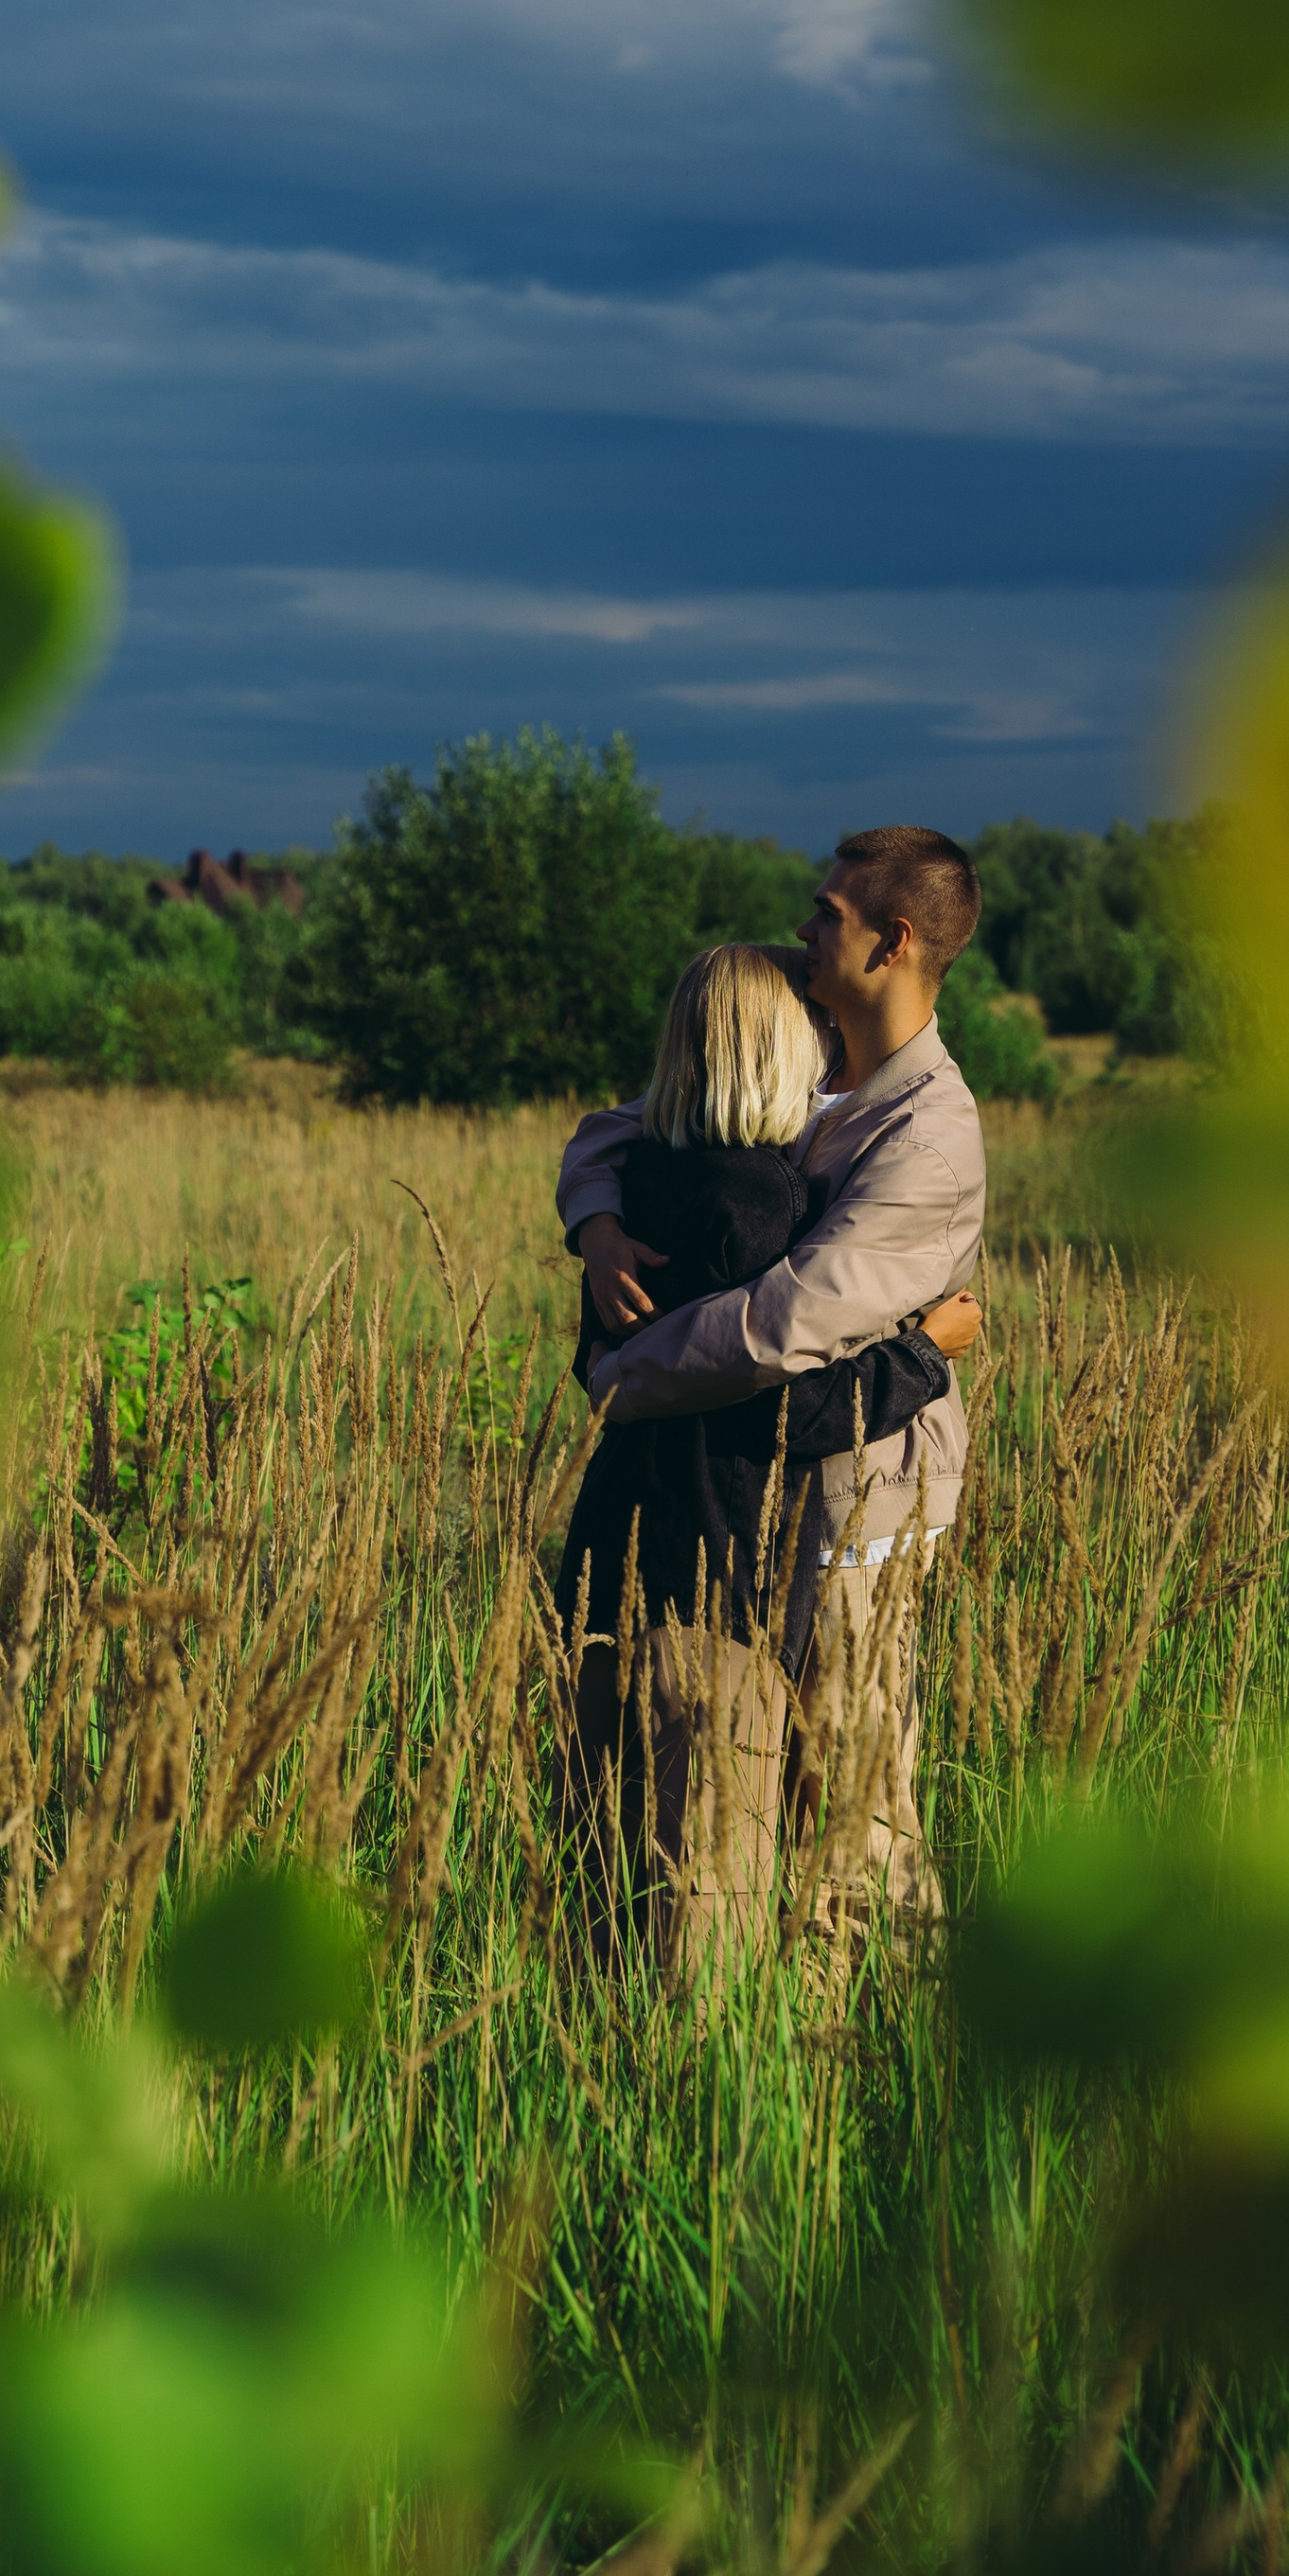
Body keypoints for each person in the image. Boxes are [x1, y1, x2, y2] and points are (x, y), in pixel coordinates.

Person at [558, 824, 987, 1929]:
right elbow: (619, 1128)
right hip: (755, 1483)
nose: (803, 927)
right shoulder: (813, 1059)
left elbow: (779, 1327)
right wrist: (598, 1229)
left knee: (846, 1794)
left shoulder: (926, 1139)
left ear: (892, 942)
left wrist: (618, 1372)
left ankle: (867, 2036)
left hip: (858, 1500)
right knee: (738, 1771)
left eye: (827, 913)